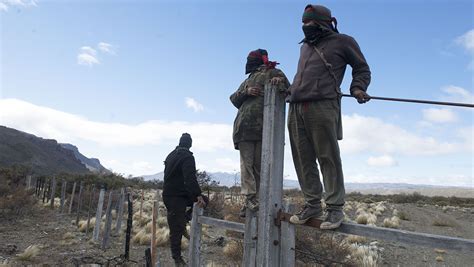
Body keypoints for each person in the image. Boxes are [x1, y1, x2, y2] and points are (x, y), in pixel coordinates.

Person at [287, 4, 371, 230]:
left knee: (328, 156)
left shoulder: (343, 41)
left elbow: (362, 68)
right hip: (295, 107)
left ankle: (334, 209)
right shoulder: (305, 47)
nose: (306, 26)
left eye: (310, 22)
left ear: (324, 22)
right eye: (303, 23)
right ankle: (312, 204)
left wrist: (357, 88)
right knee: (302, 158)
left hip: (323, 104)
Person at [230, 49, 289, 217]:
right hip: (244, 128)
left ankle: (255, 200)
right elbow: (233, 98)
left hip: (265, 128)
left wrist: (279, 82)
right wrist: (246, 92)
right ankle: (249, 198)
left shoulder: (274, 72)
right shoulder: (248, 80)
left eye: (252, 59)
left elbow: (289, 89)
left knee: (258, 167)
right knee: (246, 164)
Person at [162, 133, 206, 266]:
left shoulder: (170, 155)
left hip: (171, 195)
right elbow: (190, 178)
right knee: (175, 229)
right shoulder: (187, 157)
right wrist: (197, 195)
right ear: (190, 144)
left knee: (204, 200)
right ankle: (177, 259)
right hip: (176, 197)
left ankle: (184, 220)